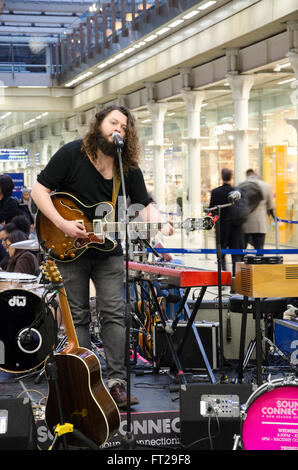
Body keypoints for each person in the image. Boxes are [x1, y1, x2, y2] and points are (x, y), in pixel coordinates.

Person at [31, 104, 173, 408]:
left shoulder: (127, 167)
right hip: (69, 250)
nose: (117, 129)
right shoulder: (72, 154)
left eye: (123, 126)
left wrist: (161, 219)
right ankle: (83, 383)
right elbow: (39, 190)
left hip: (108, 252)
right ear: (99, 125)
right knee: (77, 316)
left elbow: (144, 203)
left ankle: (116, 383)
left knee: (114, 314)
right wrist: (62, 223)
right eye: (112, 122)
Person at [209, 168, 244, 277]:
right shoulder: (237, 192)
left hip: (221, 227)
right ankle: (235, 280)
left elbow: (212, 210)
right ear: (231, 177)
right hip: (235, 228)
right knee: (236, 256)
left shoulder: (215, 192)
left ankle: (223, 278)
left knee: (221, 255)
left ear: (221, 177)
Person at [240, 169, 275, 250]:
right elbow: (270, 206)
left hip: (244, 223)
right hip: (260, 224)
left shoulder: (240, 186)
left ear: (247, 175)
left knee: (242, 251)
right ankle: (259, 262)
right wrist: (274, 218)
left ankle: (242, 263)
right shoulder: (266, 186)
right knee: (259, 250)